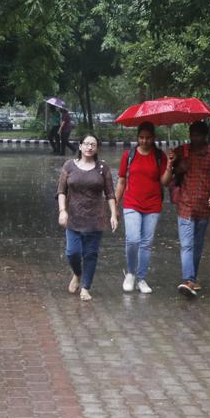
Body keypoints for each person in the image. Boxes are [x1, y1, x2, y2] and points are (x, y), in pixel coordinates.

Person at [56, 134, 118, 301]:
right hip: (74, 217)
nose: (90, 147)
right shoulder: (69, 166)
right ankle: (77, 273)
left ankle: (85, 287)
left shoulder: (102, 168)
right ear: (80, 146)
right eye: (87, 144)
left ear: (97, 148)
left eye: (93, 145)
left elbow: (110, 193)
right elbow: (61, 191)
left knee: (90, 254)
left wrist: (114, 214)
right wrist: (63, 211)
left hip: (95, 218)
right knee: (72, 253)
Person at [168, 121, 210, 296]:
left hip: (203, 208)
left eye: (198, 135)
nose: (194, 138)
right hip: (185, 206)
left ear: (205, 136)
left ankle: (192, 278)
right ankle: (189, 280)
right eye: (192, 134)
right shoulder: (182, 151)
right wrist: (174, 164)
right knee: (186, 245)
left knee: (197, 245)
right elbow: (169, 174)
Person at [115, 122, 172, 294]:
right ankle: (130, 274)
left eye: (148, 138)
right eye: (141, 137)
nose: (144, 141)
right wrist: (114, 204)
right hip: (132, 202)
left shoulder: (160, 156)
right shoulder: (129, 155)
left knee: (146, 244)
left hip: (153, 205)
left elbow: (165, 182)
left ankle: (141, 278)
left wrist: (169, 166)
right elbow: (121, 181)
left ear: (153, 138)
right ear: (137, 138)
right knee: (133, 239)